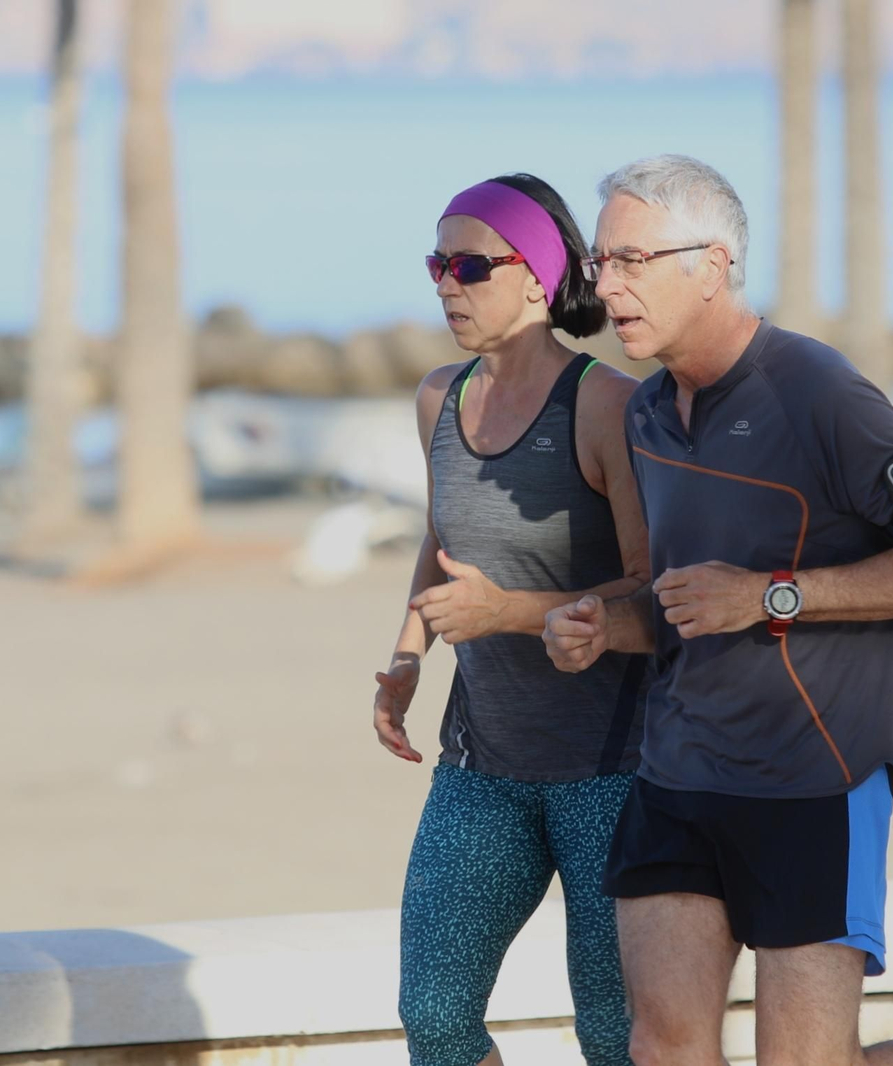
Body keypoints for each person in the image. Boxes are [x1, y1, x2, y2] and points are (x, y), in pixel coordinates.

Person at [541, 155, 893, 1066]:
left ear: (713, 266)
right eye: (602, 262)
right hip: (677, 775)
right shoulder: (645, 414)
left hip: (815, 777)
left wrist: (772, 594)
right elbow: (681, 606)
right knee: (663, 1048)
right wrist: (605, 626)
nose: (608, 286)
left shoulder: (823, 394)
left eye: (633, 260)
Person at [376, 173, 650, 1066]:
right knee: (436, 1020)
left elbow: (652, 586)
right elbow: (441, 536)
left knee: (614, 1036)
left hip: (614, 771)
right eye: (436, 265)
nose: (446, 285)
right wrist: (407, 657)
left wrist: (511, 613)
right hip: (482, 765)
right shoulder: (438, 398)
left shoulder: (606, 404)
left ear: (536, 276)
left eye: (469, 266)